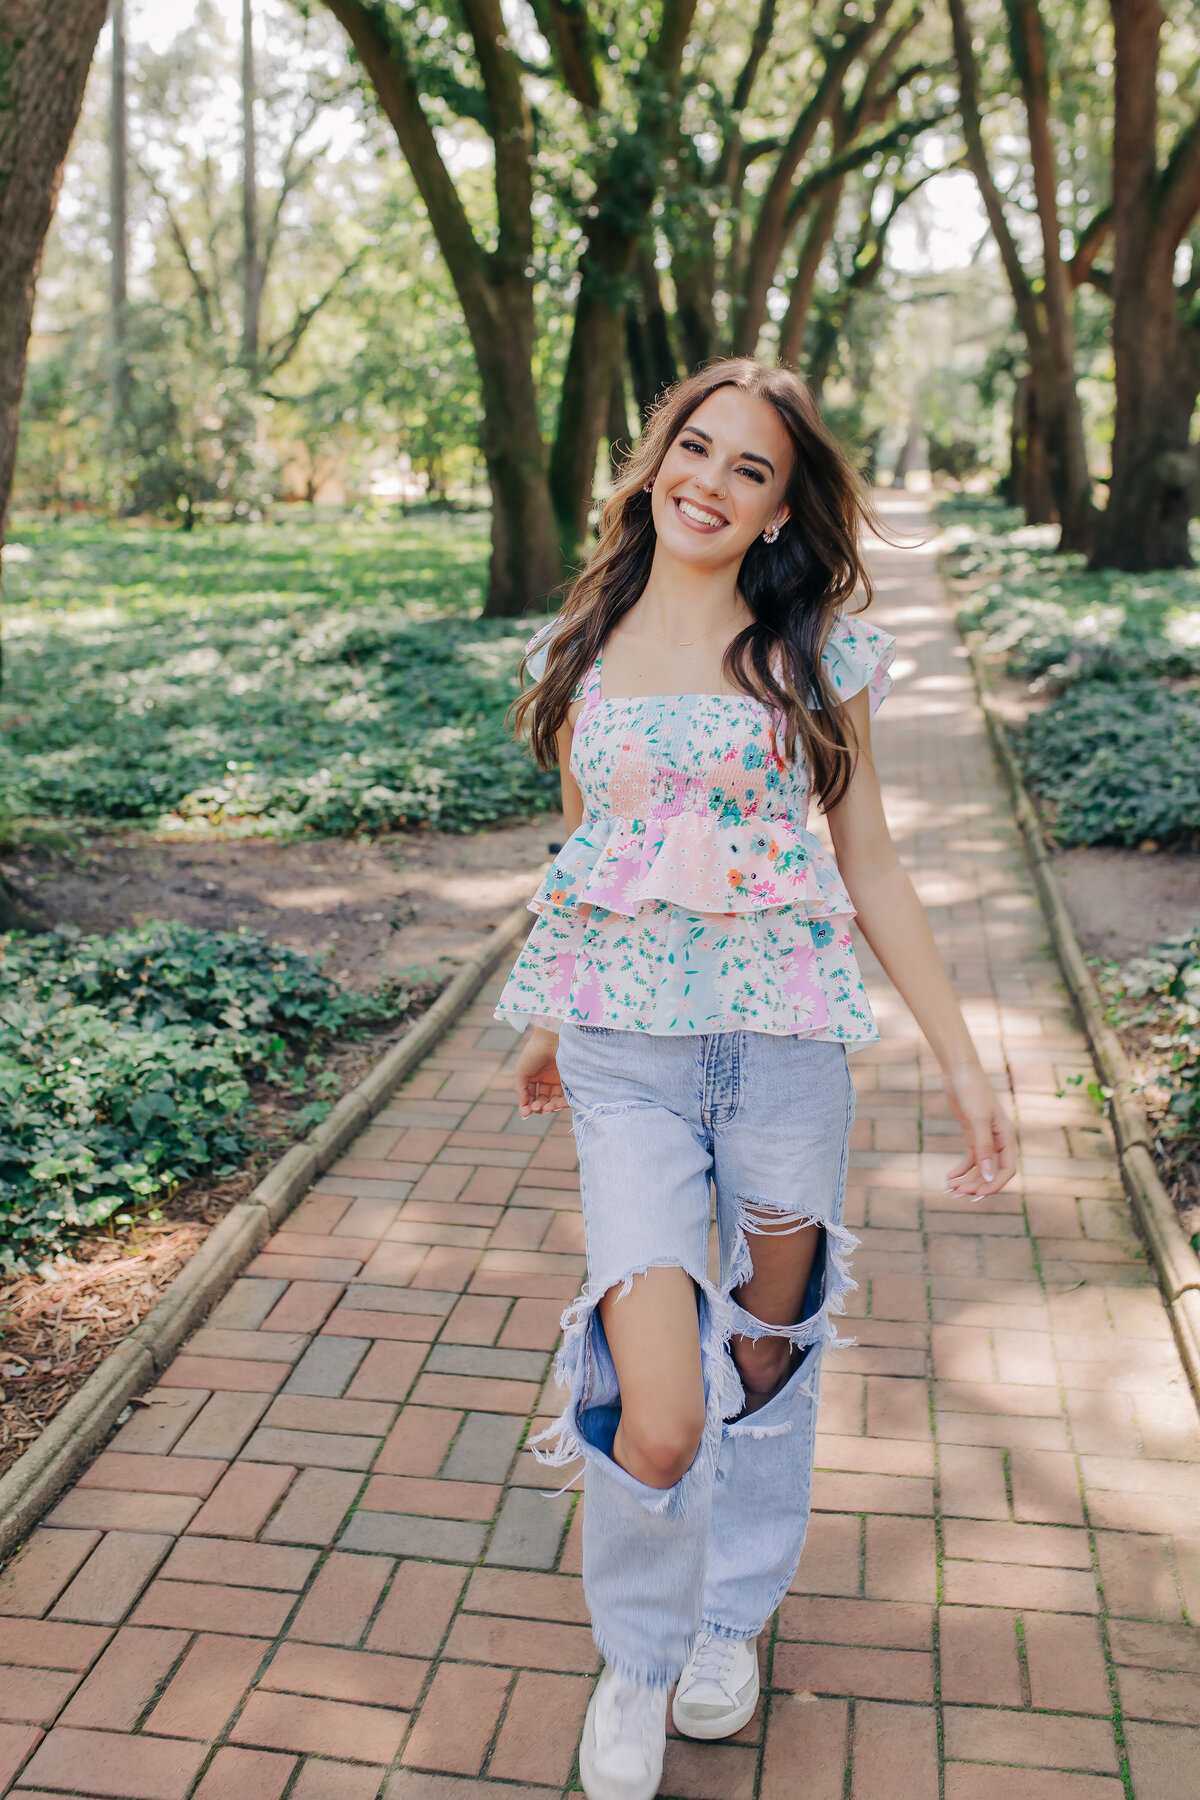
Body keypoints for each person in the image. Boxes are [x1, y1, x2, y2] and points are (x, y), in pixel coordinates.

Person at [494, 357, 1017, 1800]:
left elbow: (876, 866)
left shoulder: (811, 662)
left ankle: (723, 1621)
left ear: (784, 513)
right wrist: (548, 1018)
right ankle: (639, 1652)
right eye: (694, 449)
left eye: (749, 471)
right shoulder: (585, 653)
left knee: (765, 1365)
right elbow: (592, 852)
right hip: (629, 1066)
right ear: (655, 456)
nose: (708, 485)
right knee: (661, 1409)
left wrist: (967, 1065)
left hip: (786, 1058)